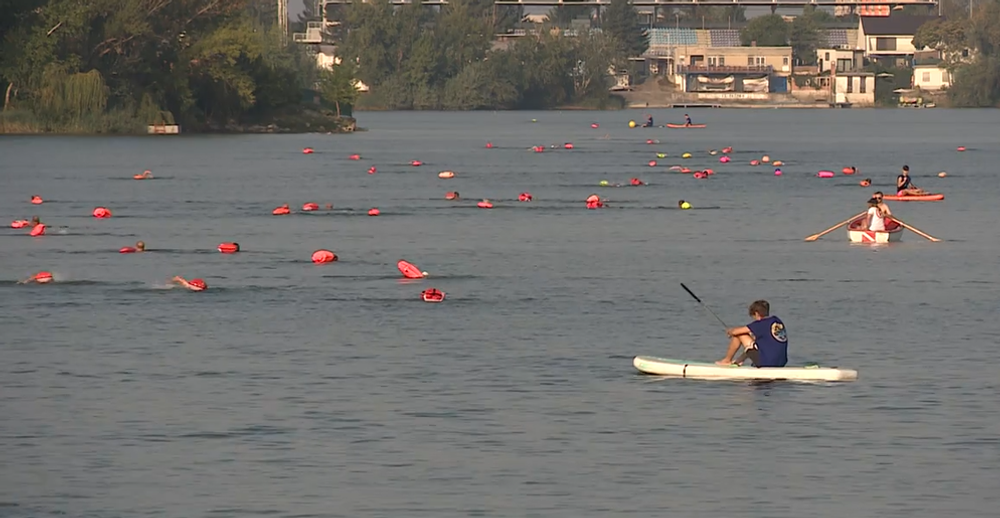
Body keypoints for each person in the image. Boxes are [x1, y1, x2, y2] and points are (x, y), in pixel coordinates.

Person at [715, 300, 788, 368]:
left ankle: (727, 360)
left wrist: (730, 331)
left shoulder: (760, 324)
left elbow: (735, 332)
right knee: (754, 341)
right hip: (781, 363)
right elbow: (753, 345)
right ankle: (739, 361)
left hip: (766, 363)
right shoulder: (777, 320)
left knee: (740, 335)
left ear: (756, 314)